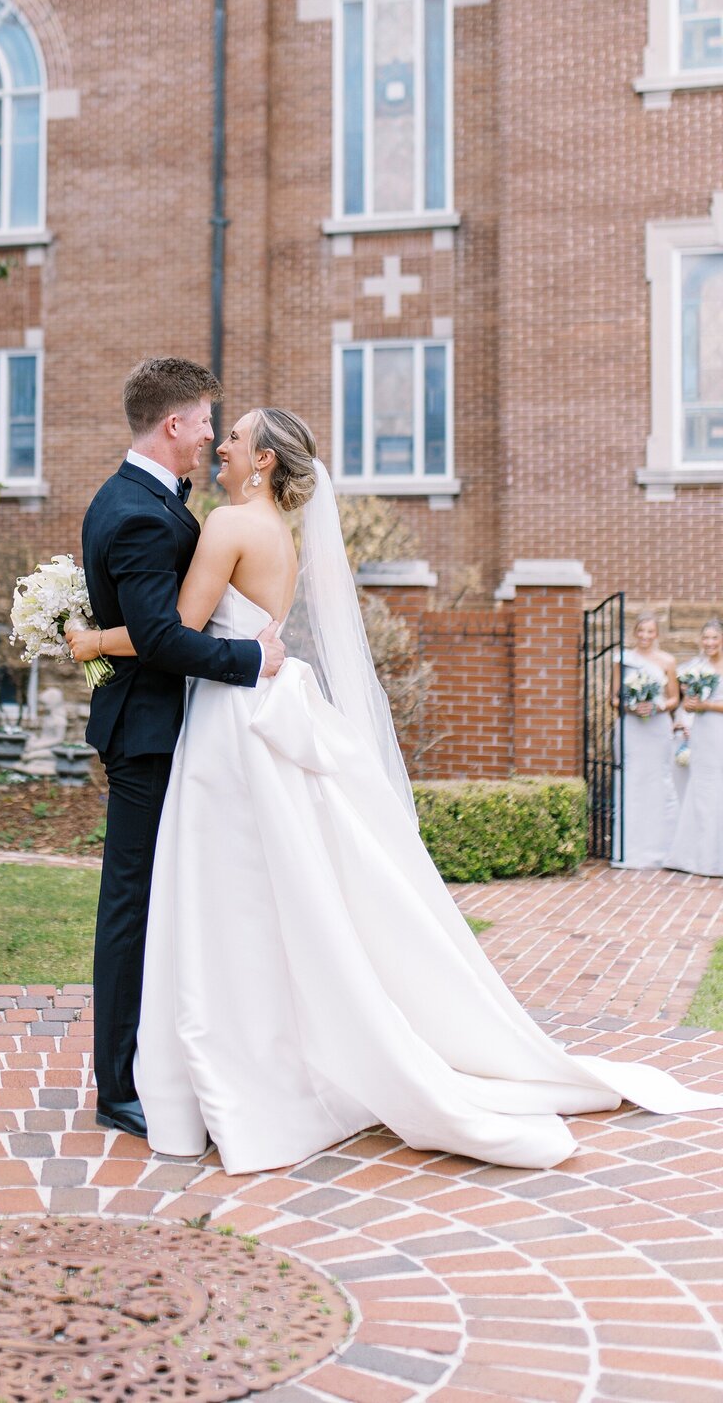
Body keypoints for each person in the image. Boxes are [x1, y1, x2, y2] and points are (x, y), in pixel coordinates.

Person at [70, 407, 723, 1173]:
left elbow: (172, 630)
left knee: (225, 891)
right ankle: (258, 1055)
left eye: (237, 438)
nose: (223, 444)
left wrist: (91, 638)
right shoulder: (278, 532)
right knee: (270, 889)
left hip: (229, 721)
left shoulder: (226, 527)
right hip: (263, 708)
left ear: (266, 462)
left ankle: (227, 1063)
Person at [78, 358, 285, 1139]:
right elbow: (164, 637)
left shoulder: (152, 500)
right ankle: (118, 1084)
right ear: (174, 425)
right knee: (129, 905)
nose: (209, 434)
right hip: (148, 736)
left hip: (176, 731)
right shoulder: (134, 511)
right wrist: (249, 662)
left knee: (167, 898)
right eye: (204, 420)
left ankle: (161, 1056)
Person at [610, 613, 680, 867]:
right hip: (631, 727)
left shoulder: (667, 661)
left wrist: (658, 707)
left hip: (657, 727)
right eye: (641, 631)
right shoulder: (623, 660)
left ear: (657, 635)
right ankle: (627, 849)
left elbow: (674, 698)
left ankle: (662, 848)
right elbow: (613, 698)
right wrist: (630, 706)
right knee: (631, 779)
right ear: (635, 633)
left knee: (659, 779)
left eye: (650, 632)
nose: (645, 636)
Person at [666, 620, 723, 878]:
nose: (709, 643)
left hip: (719, 731)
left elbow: (707, 705)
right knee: (702, 789)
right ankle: (698, 857)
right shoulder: (695, 668)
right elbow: (687, 705)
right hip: (703, 735)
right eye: (706, 638)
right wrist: (689, 709)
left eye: (714, 638)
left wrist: (706, 706)